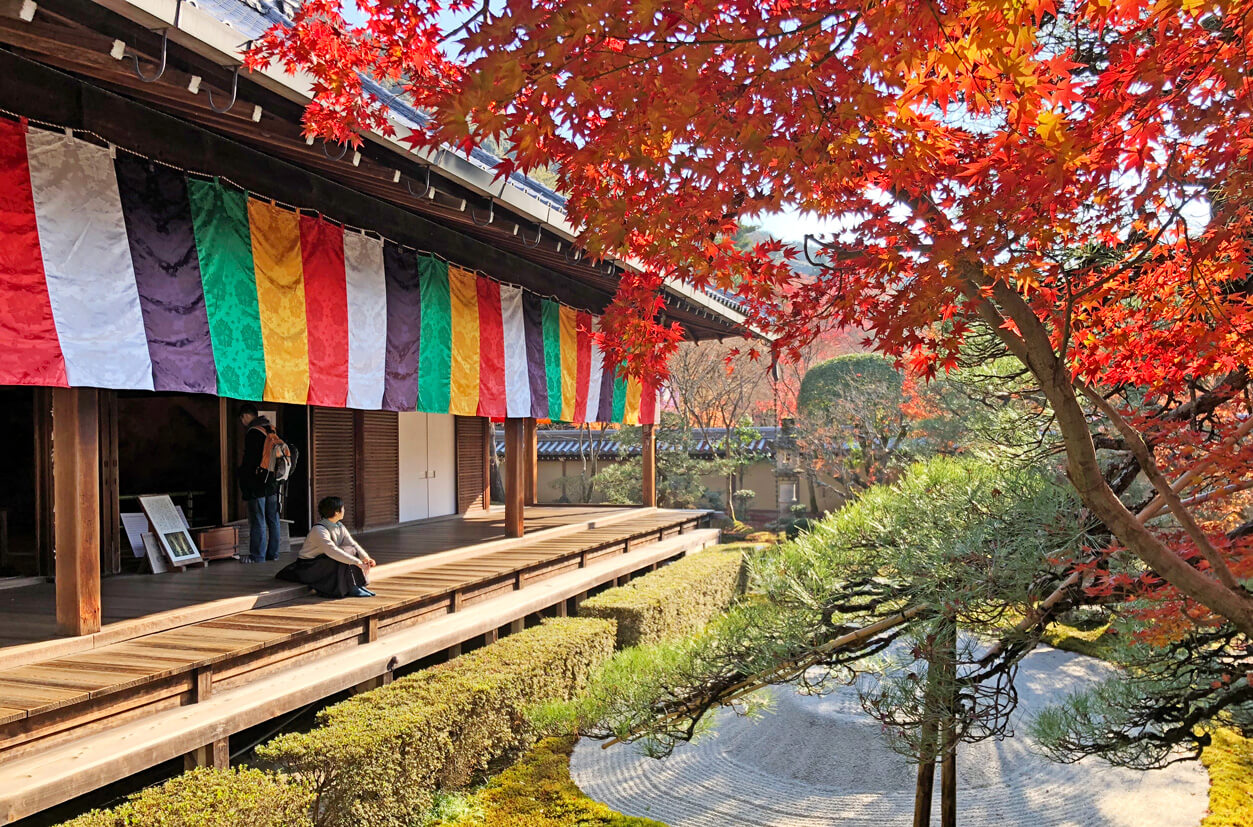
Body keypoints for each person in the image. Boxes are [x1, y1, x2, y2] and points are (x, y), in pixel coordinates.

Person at [276, 496, 377, 598]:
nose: (344, 510)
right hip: (309, 565)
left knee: (349, 550)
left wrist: (365, 558)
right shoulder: (319, 530)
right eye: (342, 508)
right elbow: (332, 551)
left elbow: (352, 544)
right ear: (336, 512)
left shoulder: (339, 525)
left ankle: (356, 584)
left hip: (324, 560)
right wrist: (358, 562)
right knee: (339, 556)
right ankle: (350, 587)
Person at [238, 403, 282, 563]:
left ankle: (257, 556)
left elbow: (250, 461)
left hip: (257, 483)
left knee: (258, 519)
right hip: (272, 482)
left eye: (242, 418)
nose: (242, 422)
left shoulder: (253, 433)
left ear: (246, 416)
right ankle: (274, 554)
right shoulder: (271, 429)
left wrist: (242, 476)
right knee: (273, 518)